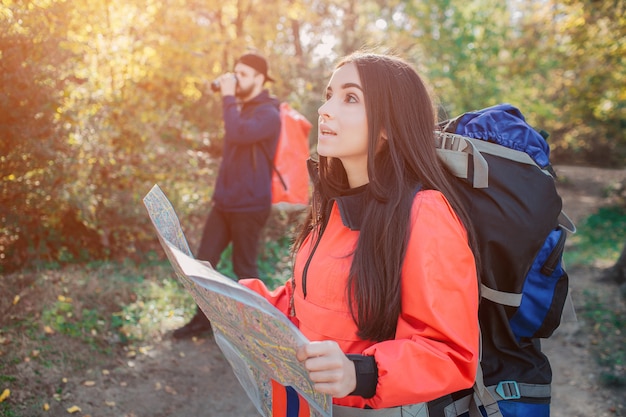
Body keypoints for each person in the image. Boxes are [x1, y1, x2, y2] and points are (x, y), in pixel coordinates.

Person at [239, 50, 482, 414]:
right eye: (329, 96)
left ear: (388, 125)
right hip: (309, 405)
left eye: (350, 98)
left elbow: (451, 353)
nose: (325, 110)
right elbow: (311, 303)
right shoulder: (334, 205)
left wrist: (361, 373)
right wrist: (239, 299)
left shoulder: (424, 214)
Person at [173, 52, 282, 339]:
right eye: (235, 73)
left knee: (244, 269)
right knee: (204, 261)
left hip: (250, 206)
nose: (236, 79)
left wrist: (228, 96)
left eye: (243, 74)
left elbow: (237, 133)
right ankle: (202, 320)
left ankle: (259, 330)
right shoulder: (241, 109)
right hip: (224, 203)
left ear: (260, 78)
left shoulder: (269, 113)